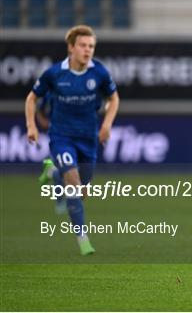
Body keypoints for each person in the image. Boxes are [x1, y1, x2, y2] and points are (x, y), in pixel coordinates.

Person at [25, 25, 120, 255]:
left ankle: (53, 172)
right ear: (71, 47)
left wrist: (107, 124)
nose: (88, 51)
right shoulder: (55, 73)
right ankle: (82, 237)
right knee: (75, 185)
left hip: (88, 138)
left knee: (82, 190)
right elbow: (31, 98)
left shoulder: (99, 72)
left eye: (91, 46)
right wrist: (31, 125)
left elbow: (114, 98)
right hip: (62, 137)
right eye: (83, 46)